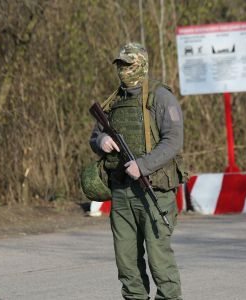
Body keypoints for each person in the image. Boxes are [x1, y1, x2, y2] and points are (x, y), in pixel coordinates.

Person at [89, 42, 184, 300]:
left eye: (127, 64)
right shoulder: (114, 100)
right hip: (121, 193)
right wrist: (101, 142)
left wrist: (142, 165)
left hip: (154, 191)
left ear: (141, 64)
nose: (122, 70)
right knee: (127, 265)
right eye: (119, 64)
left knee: (159, 262)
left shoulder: (161, 97)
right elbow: (94, 136)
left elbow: (174, 140)